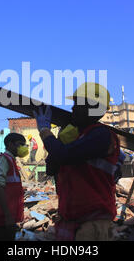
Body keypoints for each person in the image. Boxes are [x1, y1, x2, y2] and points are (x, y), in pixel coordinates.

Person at [33, 82, 119, 241]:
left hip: (93, 222)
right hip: (71, 218)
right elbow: (51, 168)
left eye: (77, 104)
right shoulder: (80, 137)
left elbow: (63, 155)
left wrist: (45, 132)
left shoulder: (101, 135)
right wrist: (62, 139)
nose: (72, 109)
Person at [0, 133, 27, 241]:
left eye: (24, 145)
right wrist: (8, 215)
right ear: (10, 144)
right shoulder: (4, 160)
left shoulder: (11, 161)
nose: (22, 147)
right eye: (20, 144)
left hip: (7, 216)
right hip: (2, 217)